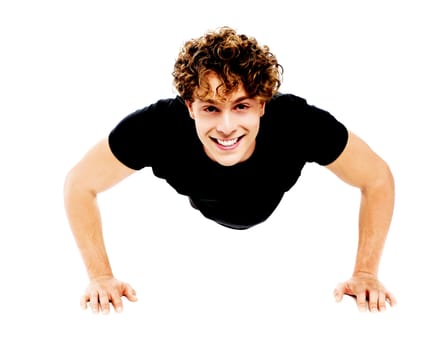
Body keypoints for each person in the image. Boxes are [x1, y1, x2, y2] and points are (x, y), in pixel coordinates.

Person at [64, 26, 396, 314]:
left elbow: (377, 177)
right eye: (210, 107)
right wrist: (100, 276)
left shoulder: (299, 122)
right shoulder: (155, 128)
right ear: (190, 107)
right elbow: (79, 185)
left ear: (263, 104)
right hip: (203, 199)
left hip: (270, 194)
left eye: (241, 106)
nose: (226, 127)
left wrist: (366, 272)